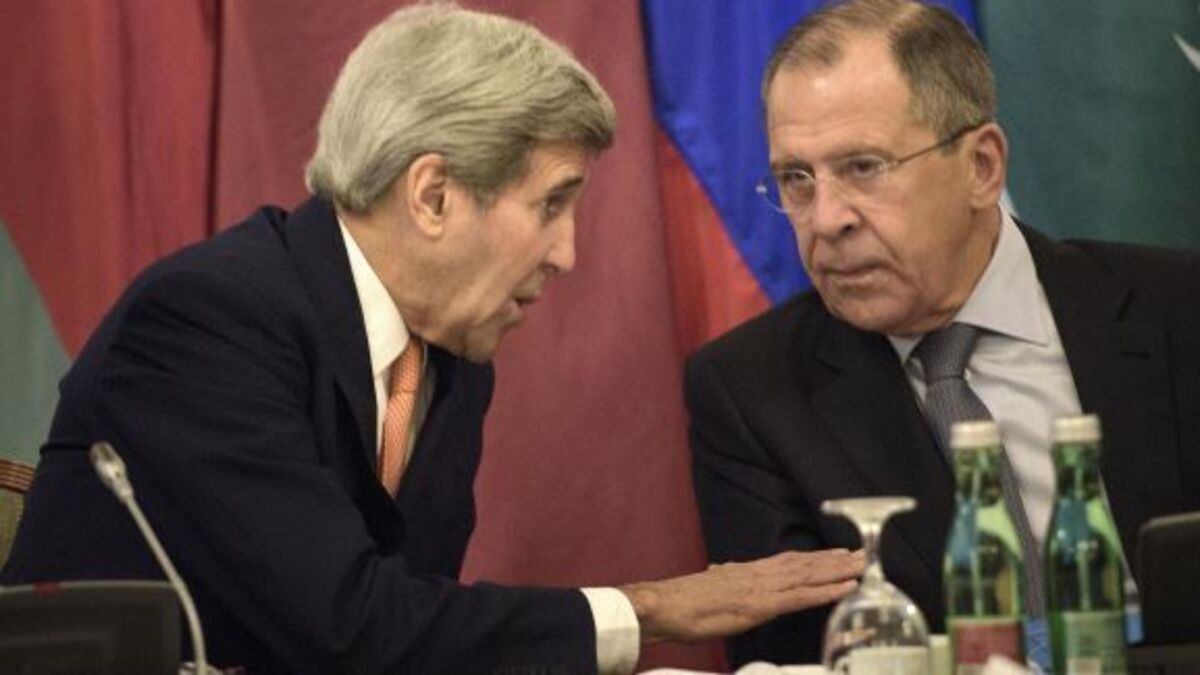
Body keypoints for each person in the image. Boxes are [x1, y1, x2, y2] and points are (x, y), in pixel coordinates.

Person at [0, 5, 866, 674]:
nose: (566, 253)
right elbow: (349, 626)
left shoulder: (446, 354)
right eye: (551, 203)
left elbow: (418, 630)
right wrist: (651, 609)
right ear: (433, 196)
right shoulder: (208, 319)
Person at [686, 0, 1200, 668]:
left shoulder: (1178, 310)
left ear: (982, 166)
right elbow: (796, 658)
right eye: (796, 179)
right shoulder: (751, 391)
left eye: (864, 166)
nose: (827, 218)